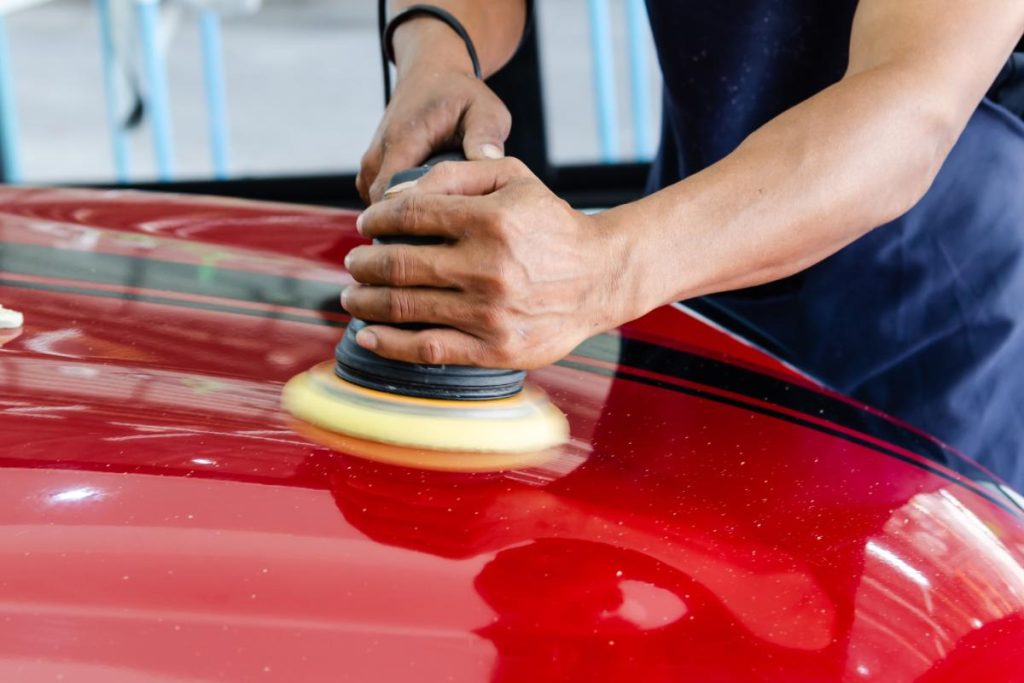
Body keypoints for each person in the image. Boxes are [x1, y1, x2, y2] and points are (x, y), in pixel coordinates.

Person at [342, 2, 1024, 487]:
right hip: (691, 250)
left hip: (939, 299)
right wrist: (439, 54)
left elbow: (912, 108)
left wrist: (603, 269)